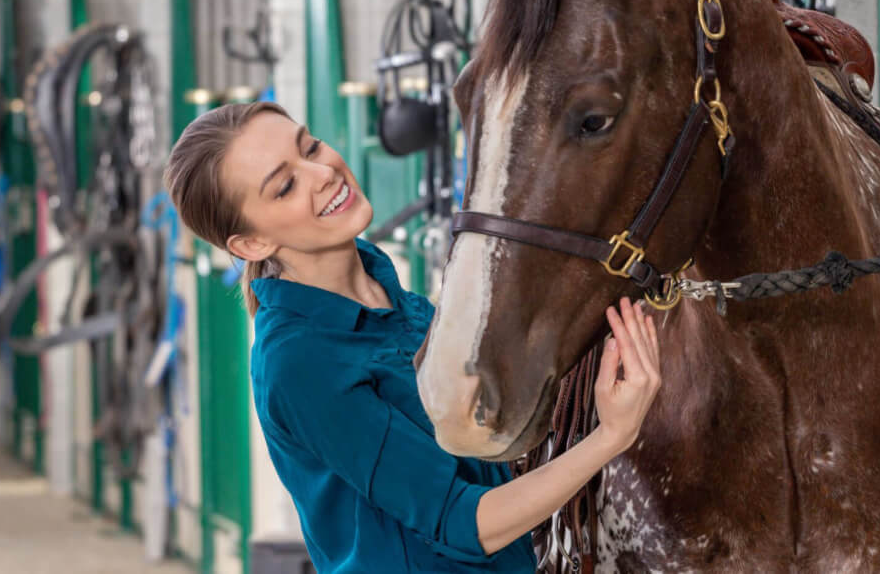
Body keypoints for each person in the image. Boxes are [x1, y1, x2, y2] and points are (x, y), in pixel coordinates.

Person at [164, 101, 662, 573]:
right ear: (253, 243)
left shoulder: (398, 303)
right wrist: (612, 435)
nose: (323, 174)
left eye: (310, 147)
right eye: (285, 187)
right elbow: (467, 523)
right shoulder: (301, 363)